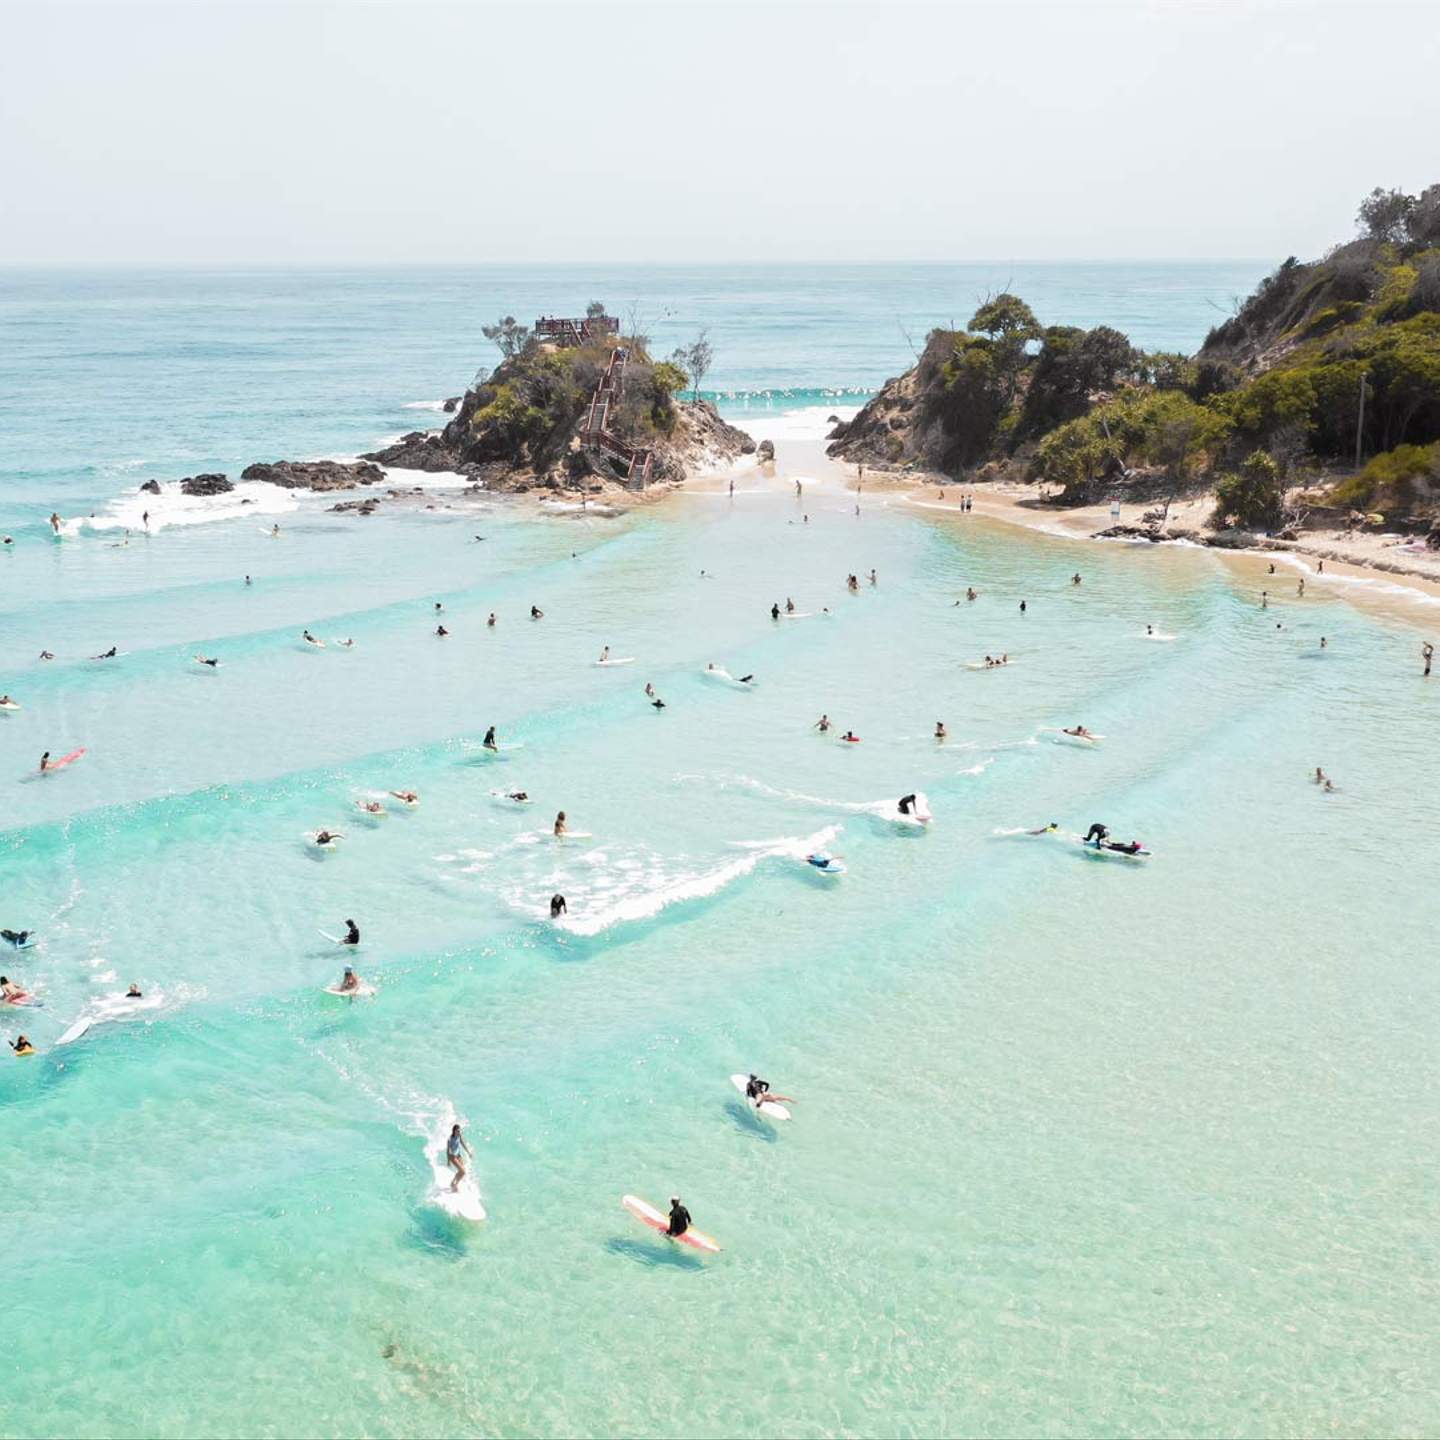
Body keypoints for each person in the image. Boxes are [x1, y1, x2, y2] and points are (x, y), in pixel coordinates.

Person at [444, 1123, 473, 1193]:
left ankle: (452, 1182)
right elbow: (448, 1151)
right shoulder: (450, 1139)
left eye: (459, 1131)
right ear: (454, 1131)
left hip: (458, 1155)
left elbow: (463, 1144)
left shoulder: (459, 1136)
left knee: (462, 1171)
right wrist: (448, 1161)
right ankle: (455, 1185)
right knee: (463, 1171)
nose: (459, 1132)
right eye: (457, 1131)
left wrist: (468, 1152)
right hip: (452, 1156)